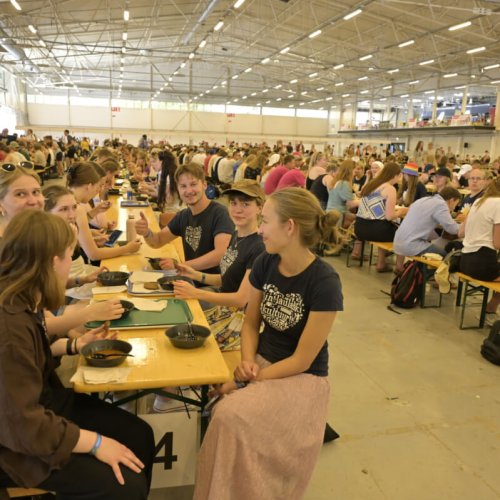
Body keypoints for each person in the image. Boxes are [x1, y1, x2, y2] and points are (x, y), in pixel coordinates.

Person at [193, 188, 343, 500]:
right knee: (219, 410)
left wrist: (246, 381)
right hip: (261, 363)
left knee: (228, 415)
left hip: (301, 377)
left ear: (290, 227)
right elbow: (250, 323)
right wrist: (247, 363)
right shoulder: (266, 262)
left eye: (265, 221)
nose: (260, 230)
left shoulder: (324, 282)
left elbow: (302, 360)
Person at [0, 210, 155, 499]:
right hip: (15, 445)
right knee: (126, 485)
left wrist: (76, 345)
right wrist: (96, 443)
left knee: (140, 436)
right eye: (69, 256)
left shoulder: (23, 299)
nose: (70, 265)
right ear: (52, 262)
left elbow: (31, 358)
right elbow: (22, 424)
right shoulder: (9, 325)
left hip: (39, 409)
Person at [173, 180, 266, 351]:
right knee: (177, 320)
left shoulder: (259, 247)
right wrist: (195, 274)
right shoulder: (236, 235)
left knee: (188, 339)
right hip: (224, 310)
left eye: (245, 204)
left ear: (259, 207)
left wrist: (195, 292)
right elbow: (227, 279)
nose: (238, 210)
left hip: (240, 320)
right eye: (233, 203)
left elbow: (241, 299)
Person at [136, 162, 233, 277]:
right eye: (183, 186)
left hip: (213, 284)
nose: (189, 191)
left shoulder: (220, 213)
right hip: (190, 280)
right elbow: (157, 241)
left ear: (204, 185)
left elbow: (221, 254)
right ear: (178, 189)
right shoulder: (183, 216)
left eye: (193, 184)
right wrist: (146, 232)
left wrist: (180, 266)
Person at [66, 162, 142, 262]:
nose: (98, 190)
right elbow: (94, 254)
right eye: (98, 186)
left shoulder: (64, 200)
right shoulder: (76, 208)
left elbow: (68, 236)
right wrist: (128, 248)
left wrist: (91, 236)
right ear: (89, 186)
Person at [354, 162, 407, 272]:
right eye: (400, 176)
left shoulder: (371, 185)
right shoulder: (390, 188)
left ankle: (381, 263)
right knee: (403, 234)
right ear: (395, 175)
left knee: (385, 225)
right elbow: (389, 216)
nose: (400, 178)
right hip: (375, 230)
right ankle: (399, 267)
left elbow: (378, 212)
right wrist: (402, 211)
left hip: (359, 227)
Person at [459, 176, 500, 316]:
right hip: (481, 263)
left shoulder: (479, 201)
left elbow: (461, 232)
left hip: (465, 260)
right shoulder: (498, 204)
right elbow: (497, 243)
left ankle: (491, 307)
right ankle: (491, 308)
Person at [393, 186, 461, 258]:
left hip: (397, 242)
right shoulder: (441, 205)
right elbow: (453, 229)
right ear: (451, 200)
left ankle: (416, 265)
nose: (454, 208)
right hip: (410, 246)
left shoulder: (423, 199)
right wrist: (464, 225)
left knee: (432, 244)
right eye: (455, 204)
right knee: (447, 255)